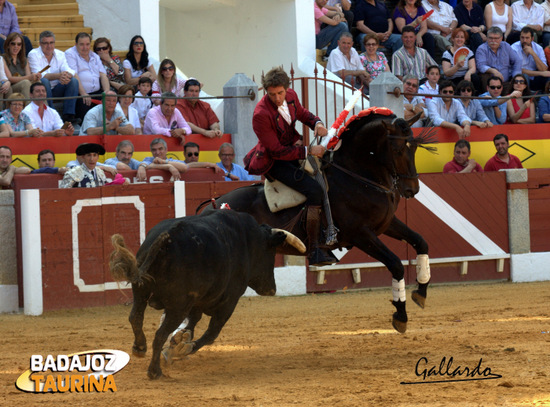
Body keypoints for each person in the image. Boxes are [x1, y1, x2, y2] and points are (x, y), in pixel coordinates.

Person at [243, 67, 335, 266]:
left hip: (292, 150)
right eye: (272, 94)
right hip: (274, 161)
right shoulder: (260, 113)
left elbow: (302, 113)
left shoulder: (292, 95)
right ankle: (314, 249)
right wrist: (309, 151)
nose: (277, 98)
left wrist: (316, 124)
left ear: (287, 89)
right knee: (315, 190)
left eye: (280, 93)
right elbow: (275, 151)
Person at [27, 30, 80, 125]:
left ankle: (69, 116)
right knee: (44, 81)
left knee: (73, 81)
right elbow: (39, 74)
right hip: (42, 90)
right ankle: (52, 113)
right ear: (40, 44)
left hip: (57, 89)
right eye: (45, 43)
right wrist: (59, 76)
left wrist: (65, 75)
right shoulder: (33, 54)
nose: (49, 46)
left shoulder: (60, 54)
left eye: (51, 42)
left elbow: (69, 69)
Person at [65, 32, 110, 121]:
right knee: (85, 112)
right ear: (76, 44)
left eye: (87, 44)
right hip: (81, 93)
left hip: (97, 92)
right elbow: (74, 75)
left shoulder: (95, 56)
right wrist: (83, 93)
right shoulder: (70, 54)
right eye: (82, 44)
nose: (85, 48)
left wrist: (107, 92)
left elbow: (103, 75)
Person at [3, 32, 40, 100]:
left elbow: (28, 76)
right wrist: (29, 77)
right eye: (13, 43)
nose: (16, 46)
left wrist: (35, 77)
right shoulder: (3, 58)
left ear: (21, 46)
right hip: (11, 87)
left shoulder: (23, 59)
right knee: (25, 83)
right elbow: (10, 78)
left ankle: (42, 108)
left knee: (38, 83)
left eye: (19, 44)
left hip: (24, 84)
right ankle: (27, 109)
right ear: (8, 45)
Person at [511, 27, 549, 91]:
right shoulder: (513, 48)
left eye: (527, 38)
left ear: (532, 39)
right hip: (520, 78)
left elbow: (544, 69)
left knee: (548, 77)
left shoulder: (539, 48)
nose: (524, 40)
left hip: (535, 77)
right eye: (522, 37)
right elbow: (518, 70)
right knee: (524, 77)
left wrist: (533, 53)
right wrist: (540, 73)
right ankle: (526, 99)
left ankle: (546, 98)